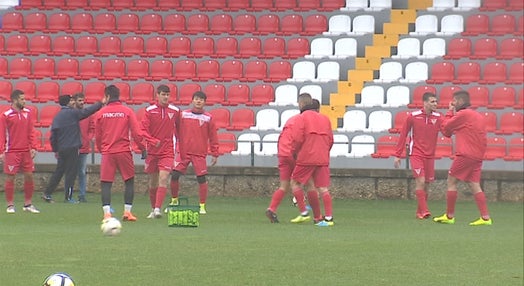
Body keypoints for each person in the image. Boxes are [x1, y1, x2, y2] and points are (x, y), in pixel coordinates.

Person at [95, 85, 159, 221]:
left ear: (107, 97)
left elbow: (98, 135)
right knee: (129, 181)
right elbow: (136, 132)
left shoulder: (100, 113)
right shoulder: (127, 111)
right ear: (118, 96)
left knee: (106, 183)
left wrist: (102, 150)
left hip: (108, 152)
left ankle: (107, 213)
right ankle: (127, 212)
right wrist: (142, 148)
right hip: (124, 151)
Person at [433, 90, 492, 226]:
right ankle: (485, 217)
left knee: (451, 181)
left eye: (453, 101)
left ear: (459, 101)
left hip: (466, 154)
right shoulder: (477, 115)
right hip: (478, 155)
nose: (452, 103)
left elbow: (446, 129)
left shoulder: (462, 114)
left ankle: (449, 216)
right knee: (474, 184)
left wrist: (449, 112)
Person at [42, 94, 104, 203]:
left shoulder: (58, 116)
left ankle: (47, 193)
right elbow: (87, 112)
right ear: (68, 102)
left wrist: (55, 149)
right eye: (71, 101)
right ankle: (68, 197)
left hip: (61, 148)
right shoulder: (73, 113)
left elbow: (53, 135)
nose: (73, 103)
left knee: (59, 171)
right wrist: (100, 103)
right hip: (72, 147)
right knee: (71, 173)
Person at [265, 97, 318, 223]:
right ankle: (308, 214)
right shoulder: (304, 120)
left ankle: (272, 208)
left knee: (284, 186)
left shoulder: (291, 119)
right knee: (309, 183)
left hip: (282, 152)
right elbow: (301, 139)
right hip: (293, 153)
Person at [393, 92, 442, 219]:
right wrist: (397, 155)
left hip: (430, 155)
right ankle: (425, 210)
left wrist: (452, 113)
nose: (435, 104)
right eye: (432, 102)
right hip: (416, 153)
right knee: (420, 180)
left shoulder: (438, 117)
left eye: (436, 101)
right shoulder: (413, 116)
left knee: (426, 184)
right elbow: (403, 134)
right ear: (425, 103)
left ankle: (419, 212)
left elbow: (447, 130)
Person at [169, 91, 219, 215]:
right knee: (174, 175)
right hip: (184, 152)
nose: (198, 101)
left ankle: (202, 205)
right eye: (196, 99)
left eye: (201, 99)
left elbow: (213, 136)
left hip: (199, 153)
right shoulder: (183, 115)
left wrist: (215, 153)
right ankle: (174, 200)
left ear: (204, 102)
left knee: (201, 179)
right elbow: (175, 129)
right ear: (192, 100)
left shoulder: (208, 117)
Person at [289, 93, 335, 227]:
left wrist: (295, 152)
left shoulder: (301, 118)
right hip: (322, 157)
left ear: (302, 104)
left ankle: (304, 213)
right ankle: (327, 218)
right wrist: (324, 152)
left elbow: (297, 139)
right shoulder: (325, 119)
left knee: (295, 183)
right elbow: (331, 140)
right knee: (322, 188)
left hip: (306, 157)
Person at [140, 85, 180, 219]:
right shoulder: (150, 111)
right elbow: (143, 130)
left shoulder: (175, 111)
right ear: (157, 95)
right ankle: (153, 208)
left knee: (163, 178)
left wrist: (181, 147)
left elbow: (180, 130)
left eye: (168, 94)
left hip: (167, 151)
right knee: (153, 182)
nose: (166, 97)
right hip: (152, 151)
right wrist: (152, 140)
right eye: (163, 94)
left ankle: (158, 209)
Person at [0, 90, 40, 214]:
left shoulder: (28, 113)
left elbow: (31, 131)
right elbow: (1, 134)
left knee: (29, 175)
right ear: (15, 100)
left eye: (24, 99)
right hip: (11, 151)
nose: (24, 101)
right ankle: (10, 205)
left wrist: (34, 147)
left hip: (25, 151)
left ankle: (28, 204)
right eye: (22, 99)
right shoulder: (5, 115)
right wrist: (1, 151)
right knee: (11, 177)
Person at [73, 93, 95, 203]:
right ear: (75, 101)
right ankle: (70, 194)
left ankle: (82, 195)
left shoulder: (88, 115)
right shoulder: (71, 114)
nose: (82, 102)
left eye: (83, 100)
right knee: (71, 171)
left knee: (81, 171)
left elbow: (92, 128)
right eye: (80, 100)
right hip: (72, 147)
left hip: (84, 147)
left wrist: (88, 138)